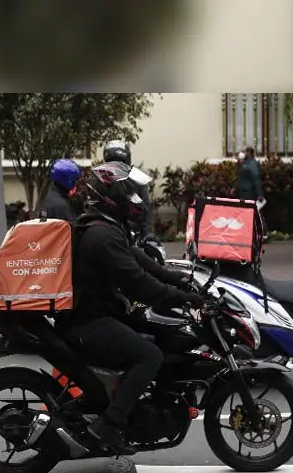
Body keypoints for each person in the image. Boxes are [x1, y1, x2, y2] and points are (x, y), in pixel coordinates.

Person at [60, 161, 204, 455]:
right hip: (89, 322)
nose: (137, 201)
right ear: (111, 198)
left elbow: (142, 262)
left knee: (155, 334)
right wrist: (181, 298)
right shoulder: (103, 236)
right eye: (131, 194)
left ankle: (124, 405)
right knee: (150, 356)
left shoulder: (107, 228)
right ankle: (108, 426)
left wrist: (181, 279)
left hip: (97, 314)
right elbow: (137, 282)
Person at [102, 140, 153, 239]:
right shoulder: (100, 180)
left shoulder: (137, 180)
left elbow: (144, 212)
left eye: (120, 162)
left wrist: (147, 236)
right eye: (112, 162)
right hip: (105, 232)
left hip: (131, 234)